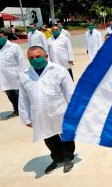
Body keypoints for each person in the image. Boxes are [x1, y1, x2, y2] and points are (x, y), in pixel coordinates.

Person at [18, 46, 76, 174]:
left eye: (38, 57)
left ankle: (68, 158)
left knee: (65, 135)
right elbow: (23, 98)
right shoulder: (24, 75)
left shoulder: (59, 70)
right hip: (39, 112)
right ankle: (57, 158)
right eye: (31, 58)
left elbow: (70, 92)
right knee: (48, 136)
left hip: (59, 110)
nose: (35, 60)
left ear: (46, 56)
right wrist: (26, 117)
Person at [0, 30, 26, 119]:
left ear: (5, 36)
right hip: (2, 76)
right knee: (9, 94)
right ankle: (16, 110)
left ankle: (25, 110)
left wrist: (23, 74)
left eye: (0, 36)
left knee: (20, 94)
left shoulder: (14, 47)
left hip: (15, 75)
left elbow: (21, 61)